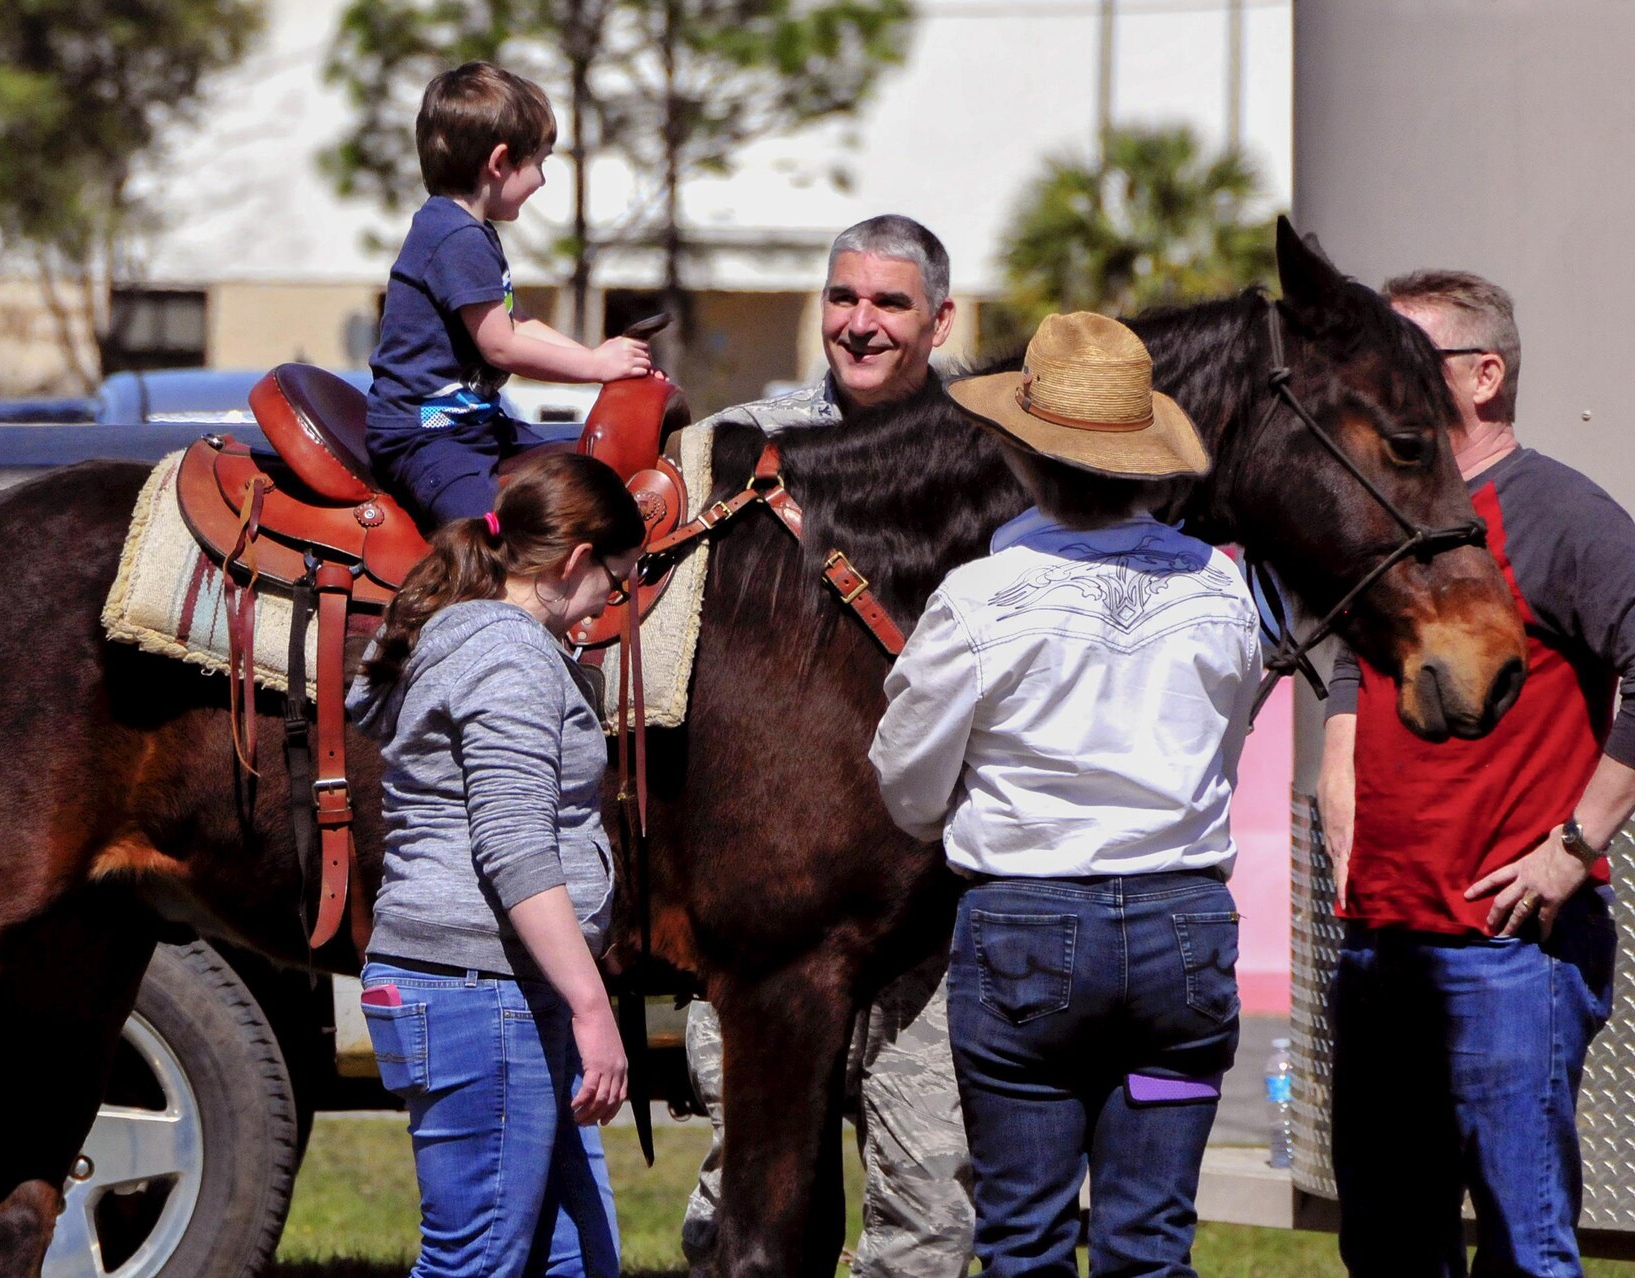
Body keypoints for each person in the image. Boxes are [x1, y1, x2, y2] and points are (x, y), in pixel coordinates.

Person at [872, 311, 1261, 1278]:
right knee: (1150, 1239)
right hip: (1182, 941)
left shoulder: (978, 599)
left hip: (1026, 941)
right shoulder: (1221, 591)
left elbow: (908, 787)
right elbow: (1225, 741)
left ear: (1019, 454)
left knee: (1026, 1235)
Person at [1318, 270, 1635, 1278]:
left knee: (1518, 1247)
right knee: (1384, 1246)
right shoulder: (1380, 513)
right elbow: (1346, 662)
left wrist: (1573, 846)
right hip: (1377, 949)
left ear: (1482, 374)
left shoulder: (1562, 517)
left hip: (1508, 951)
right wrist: (1337, 789)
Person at [679, 213, 978, 1278]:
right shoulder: (743, 445)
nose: (858, 324)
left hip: (930, 894)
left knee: (928, 1202)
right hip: (770, 896)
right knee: (750, 1195)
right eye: (841, 298)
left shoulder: (986, 464)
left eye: (889, 303)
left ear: (939, 320)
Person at [346, 451, 647, 1277]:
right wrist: (593, 1007)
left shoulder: (470, 639)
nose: (605, 608)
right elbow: (514, 845)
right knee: (475, 1262)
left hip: (494, 989)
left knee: (572, 1258)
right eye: (612, 584)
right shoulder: (510, 656)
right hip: (480, 991)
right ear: (575, 561)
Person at [364, 62, 651, 526]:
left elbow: (515, 324)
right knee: (495, 535)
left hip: (473, 425)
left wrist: (599, 360)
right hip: (428, 438)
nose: (541, 178)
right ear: (499, 163)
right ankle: (461, 597)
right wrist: (596, 367)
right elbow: (501, 346)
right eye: (539, 162)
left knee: (585, 459)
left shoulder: (471, 231)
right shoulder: (455, 237)